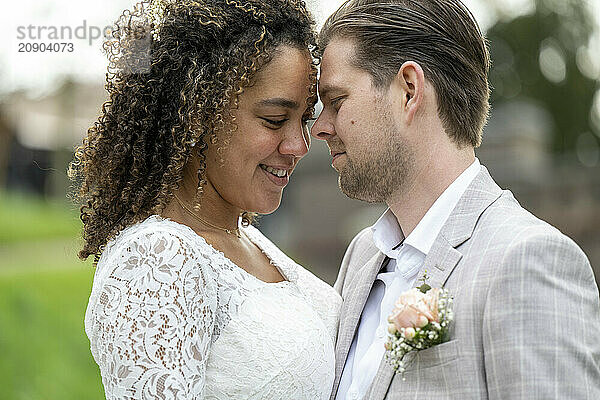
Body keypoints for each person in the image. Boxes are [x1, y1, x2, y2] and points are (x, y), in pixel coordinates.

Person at [310, 0, 600, 399]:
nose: (320, 128)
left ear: (409, 91)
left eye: (336, 101)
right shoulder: (361, 256)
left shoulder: (527, 260)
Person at [69, 0, 341, 398]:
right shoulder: (156, 260)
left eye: (303, 119)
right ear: (198, 114)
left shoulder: (247, 240)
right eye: (274, 120)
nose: (299, 145)